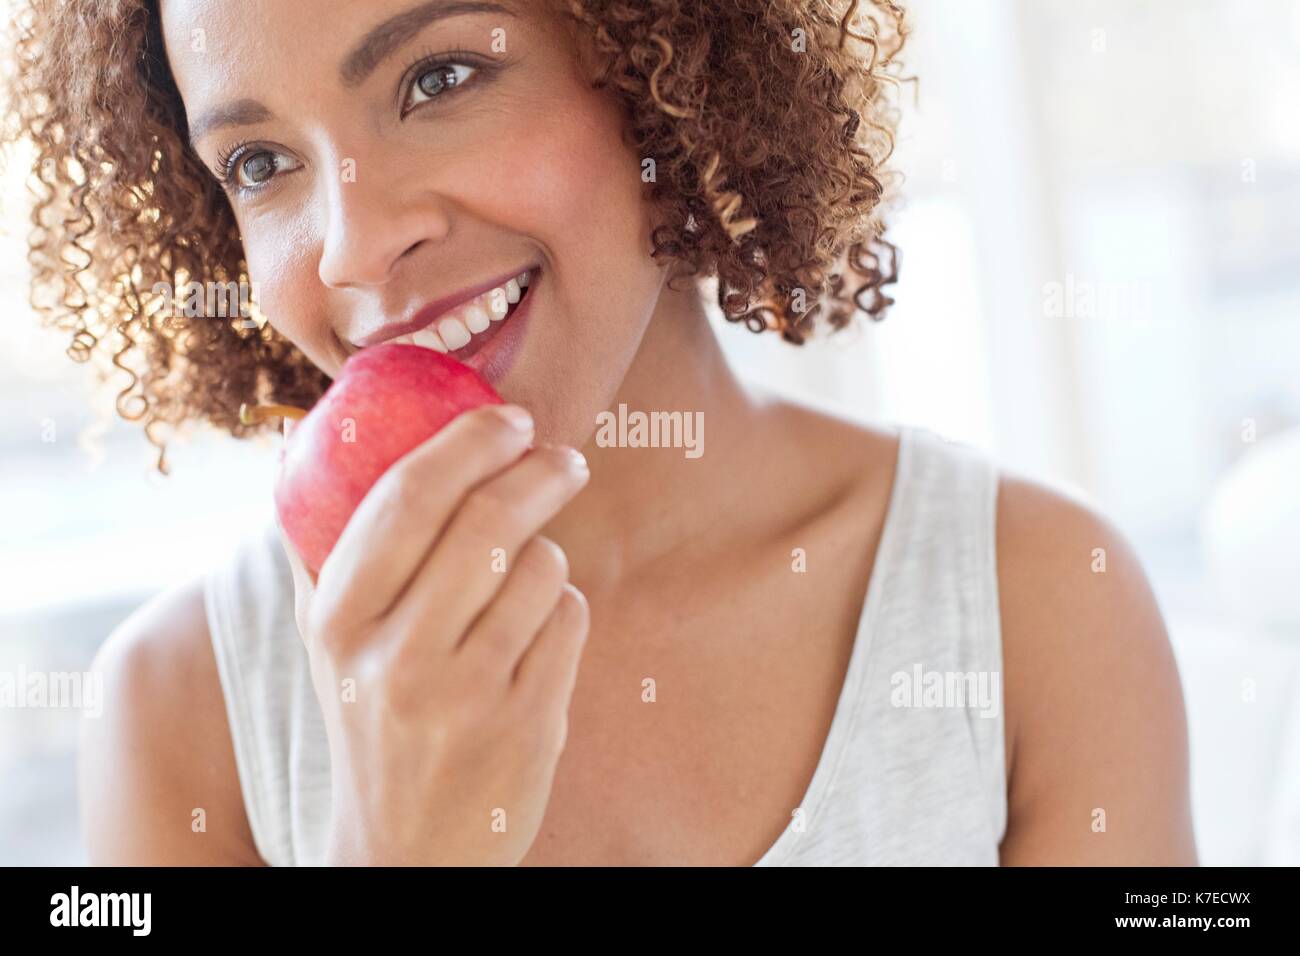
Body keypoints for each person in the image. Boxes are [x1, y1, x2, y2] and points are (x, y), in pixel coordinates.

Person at [6, 0, 1196, 865]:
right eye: (261, 163)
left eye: (437, 79)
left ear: (658, 68)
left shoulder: (1037, 602)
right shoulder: (180, 707)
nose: (352, 245)